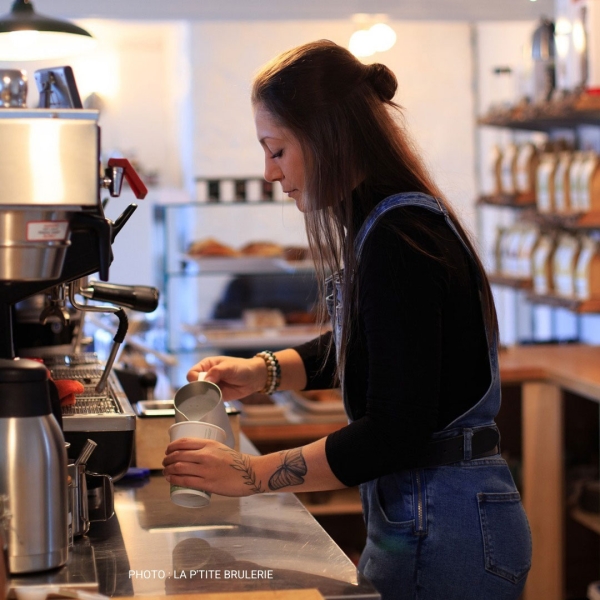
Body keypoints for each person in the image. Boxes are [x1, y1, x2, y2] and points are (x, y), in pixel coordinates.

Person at [163, 40, 532, 599]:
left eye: (277, 149)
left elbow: (392, 432)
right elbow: (380, 347)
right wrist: (265, 370)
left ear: (326, 136)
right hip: (440, 513)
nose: (268, 172)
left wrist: (248, 474)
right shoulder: (388, 222)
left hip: (448, 524)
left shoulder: (400, 240)